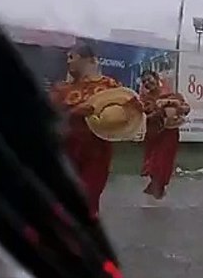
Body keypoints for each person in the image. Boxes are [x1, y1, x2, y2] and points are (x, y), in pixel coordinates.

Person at [48, 43, 138, 221]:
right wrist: (74, 112)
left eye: (72, 57)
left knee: (88, 197)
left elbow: (127, 106)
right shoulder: (61, 89)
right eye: (67, 58)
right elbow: (50, 116)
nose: (68, 62)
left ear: (89, 60)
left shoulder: (109, 85)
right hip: (67, 148)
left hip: (98, 150)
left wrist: (134, 110)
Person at [139, 69, 190, 200]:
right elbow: (143, 115)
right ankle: (157, 190)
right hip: (153, 134)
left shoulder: (171, 94)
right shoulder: (144, 98)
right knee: (151, 164)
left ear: (156, 78)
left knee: (163, 163)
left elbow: (186, 109)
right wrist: (157, 113)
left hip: (169, 134)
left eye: (149, 79)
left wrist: (170, 104)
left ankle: (158, 190)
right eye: (144, 81)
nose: (147, 82)